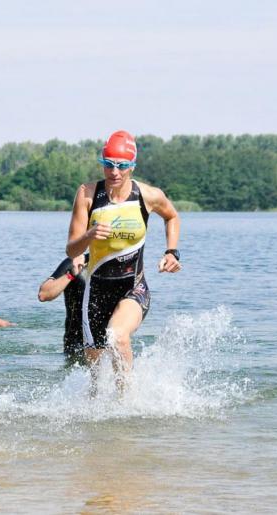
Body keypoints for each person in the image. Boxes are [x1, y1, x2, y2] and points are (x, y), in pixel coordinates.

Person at [66, 130, 181, 391]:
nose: (114, 172)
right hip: (96, 291)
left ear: (132, 166)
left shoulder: (147, 195)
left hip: (133, 286)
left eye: (122, 166)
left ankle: (126, 401)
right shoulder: (87, 195)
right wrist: (89, 235)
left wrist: (171, 251)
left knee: (118, 337)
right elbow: (72, 249)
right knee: (95, 381)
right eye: (108, 164)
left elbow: (172, 216)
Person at [37, 254, 87, 364]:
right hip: (76, 350)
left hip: (109, 346)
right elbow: (44, 294)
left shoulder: (121, 266)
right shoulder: (75, 262)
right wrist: (71, 275)